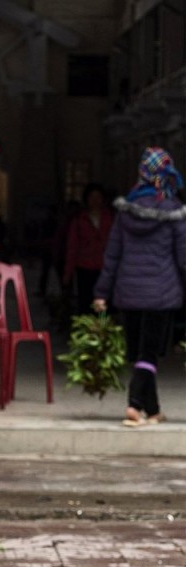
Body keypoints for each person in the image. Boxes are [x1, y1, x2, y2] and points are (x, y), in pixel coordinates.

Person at [93, 147, 186, 425]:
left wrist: (101, 292)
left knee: (140, 352)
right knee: (150, 351)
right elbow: (184, 258)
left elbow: (112, 255)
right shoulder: (175, 213)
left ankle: (153, 410)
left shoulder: (125, 212)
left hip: (129, 292)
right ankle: (134, 405)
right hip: (162, 292)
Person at [64, 182, 113, 315]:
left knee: (103, 305)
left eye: (98, 197)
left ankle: (102, 332)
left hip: (105, 268)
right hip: (85, 268)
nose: (95, 201)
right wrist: (68, 273)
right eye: (92, 197)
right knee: (85, 304)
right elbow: (72, 247)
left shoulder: (110, 218)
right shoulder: (79, 220)